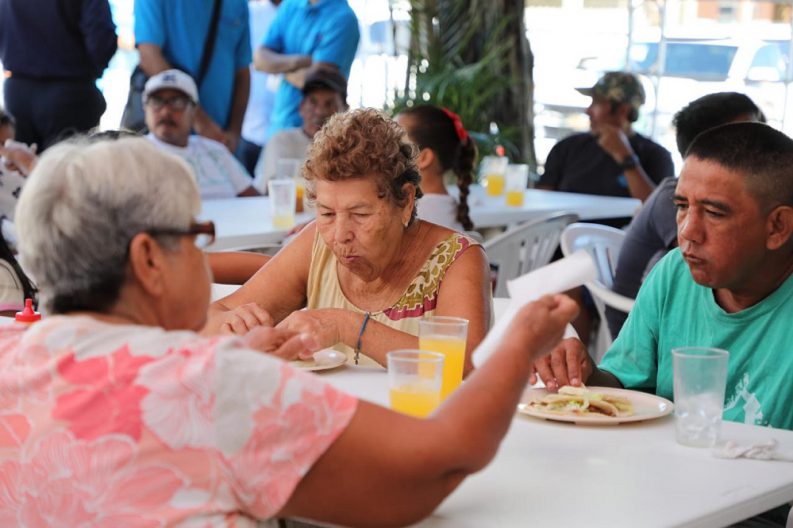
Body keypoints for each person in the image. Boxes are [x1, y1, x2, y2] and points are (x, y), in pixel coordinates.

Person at [4, 134, 579, 526]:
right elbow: (436, 463)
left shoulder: (10, 354)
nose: (206, 257)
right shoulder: (212, 384)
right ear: (150, 260)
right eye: (196, 235)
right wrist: (522, 341)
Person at [531, 122, 793, 434]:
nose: (688, 231)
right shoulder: (674, 272)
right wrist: (583, 372)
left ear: (777, 227)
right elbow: (623, 386)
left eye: (714, 213)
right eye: (682, 206)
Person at [211, 108, 492, 371]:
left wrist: (348, 327)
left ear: (406, 201)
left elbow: (469, 365)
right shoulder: (316, 244)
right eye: (327, 213)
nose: (340, 235)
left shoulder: (457, 259)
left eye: (360, 214)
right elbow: (212, 316)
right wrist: (231, 324)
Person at [606, 92, 765, 338]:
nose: (764, 143)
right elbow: (711, 262)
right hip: (643, 325)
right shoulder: (676, 197)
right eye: (748, 136)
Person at [537, 71, 674, 203]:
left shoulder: (656, 156)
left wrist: (626, 158)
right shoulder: (567, 147)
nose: (588, 111)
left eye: (597, 103)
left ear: (623, 110)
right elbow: (541, 200)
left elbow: (658, 210)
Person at [134, 0, 251, 152]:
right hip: (168, 136)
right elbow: (149, 55)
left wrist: (235, 132)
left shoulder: (237, 3)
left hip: (220, 141)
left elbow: (242, 72)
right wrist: (201, 122)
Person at [0, 0, 117, 150]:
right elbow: (101, 40)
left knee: (21, 161)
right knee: (68, 163)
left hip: (18, 92)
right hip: (70, 93)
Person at [143, 69, 259, 199]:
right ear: (145, 109)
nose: (166, 111)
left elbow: (256, 199)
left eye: (177, 102)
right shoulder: (134, 156)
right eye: (156, 102)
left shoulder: (215, 151)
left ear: (194, 111)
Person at [254, 0, 359, 141]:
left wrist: (277, 65)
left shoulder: (343, 18)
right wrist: (299, 61)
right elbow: (259, 60)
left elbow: (317, 80)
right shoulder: (290, 5)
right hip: (279, 126)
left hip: (319, 134)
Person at [253, 68, 348, 193]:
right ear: (301, 107)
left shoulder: (351, 148)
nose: (320, 112)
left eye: (329, 104)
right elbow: (271, 190)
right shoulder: (281, 141)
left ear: (345, 109)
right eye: (313, 102)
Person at [396, 104, 476, 232]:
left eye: (395, 143)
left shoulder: (410, 216)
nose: (385, 150)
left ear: (423, 158)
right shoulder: (449, 208)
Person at [237, 0, 282, 175]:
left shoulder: (299, 12)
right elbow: (256, 62)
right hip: (248, 129)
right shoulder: (250, 12)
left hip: (287, 130)